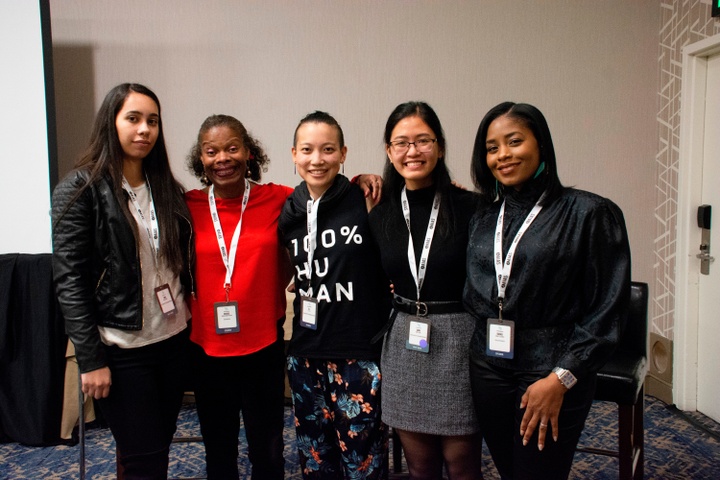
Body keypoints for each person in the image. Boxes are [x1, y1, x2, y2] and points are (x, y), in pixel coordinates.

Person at [185, 114, 382, 479]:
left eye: (232, 148)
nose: (223, 158)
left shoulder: (277, 199)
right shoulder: (186, 206)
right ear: (201, 158)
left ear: (249, 153)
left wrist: (362, 179)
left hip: (264, 344)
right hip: (208, 348)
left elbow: (327, 192)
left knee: (269, 451)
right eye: (212, 151)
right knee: (219, 452)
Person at [463, 101, 631, 480]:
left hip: (550, 372)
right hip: (487, 367)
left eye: (515, 141)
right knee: (509, 470)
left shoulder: (589, 213)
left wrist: (562, 377)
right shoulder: (484, 216)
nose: (503, 155)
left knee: (538, 474)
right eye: (492, 148)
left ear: (541, 145)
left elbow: (608, 310)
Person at [52, 83, 193, 479]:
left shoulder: (167, 188)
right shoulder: (80, 190)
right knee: (144, 455)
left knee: (154, 447)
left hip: (172, 339)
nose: (144, 129)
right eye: (133, 119)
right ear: (111, 123)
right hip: (123, 347)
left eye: (153, 121)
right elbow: (69, 283)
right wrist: (91, 359)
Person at [368, 101, 483, 480]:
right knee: (421, 467)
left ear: (441, 146)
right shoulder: (380, 212)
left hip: (458, 340)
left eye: (422, 141)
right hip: (403, 340)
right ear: (389, 151)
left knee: (462, 465)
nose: (412, 151)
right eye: (401, 143)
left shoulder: (472, 207)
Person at [278, 111, 389, 479]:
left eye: (327, 149)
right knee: (315, 461)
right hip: (305, 354)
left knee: (361, 462)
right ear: (294, 154)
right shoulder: (288, 211)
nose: (316, 159)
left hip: (357, 354)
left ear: (343, 153)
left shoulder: (366, 197)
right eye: (307, 150)